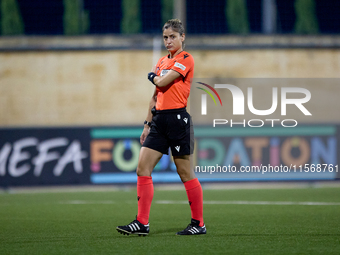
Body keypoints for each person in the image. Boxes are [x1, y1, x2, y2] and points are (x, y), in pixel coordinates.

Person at [116, 19, 205, 236]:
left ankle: (198, 224)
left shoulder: (186, 59)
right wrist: (147, 124)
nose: (168, 41)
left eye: (173, 37)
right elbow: (155, 97)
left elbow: (163, 83)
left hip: (177, 120)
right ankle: (142, 223)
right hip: (159, 122)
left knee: (184, 172)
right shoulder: (162, 61)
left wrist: (153, 77)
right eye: (165, 37)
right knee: (142, 168)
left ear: (182, 37)